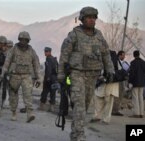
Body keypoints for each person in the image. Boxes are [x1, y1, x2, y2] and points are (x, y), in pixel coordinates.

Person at [57, 7, 114, 141]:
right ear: (82, 19)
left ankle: (75, 134)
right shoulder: (74, 35)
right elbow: (64, 55)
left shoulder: (99, 36)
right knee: (79, 105)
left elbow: (106, 54)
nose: (91, 20)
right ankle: (80, 135)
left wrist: (110, 70)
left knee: (85, 105)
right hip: (77, 74)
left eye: (93, 17)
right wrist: (60, 74)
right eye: (88, 17)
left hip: (93, 76)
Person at [1, 31, 41, 123]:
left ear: (28, 41)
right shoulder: (13, 50)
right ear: (19, 40)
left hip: (26, 76)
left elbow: (36, 64)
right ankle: (14, 112)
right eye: (22, 40)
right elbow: (7, 62)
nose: (24, 42)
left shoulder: (31, 51)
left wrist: (39, 78)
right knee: (13, 95)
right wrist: (3, 73)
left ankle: (29, 113)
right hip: (14, 75)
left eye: (25, 40)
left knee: (28, 94)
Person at [90, 50, 119, 124]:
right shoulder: (115, 61)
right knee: (102, 99)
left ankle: (102, 118)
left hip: (109, 83)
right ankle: (100, 117)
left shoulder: (108, 59)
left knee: (104, 100)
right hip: (107, 83)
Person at [38, 47, 58, 112]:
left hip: (49, 78)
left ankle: (42, 106)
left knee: (45, 92)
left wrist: (47, 78)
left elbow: (49, 69)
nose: (45, 53)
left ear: (49, 52)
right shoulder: (54, 59)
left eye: (46, 51)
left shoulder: (48, 59)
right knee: (53, 93)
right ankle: (52, 107)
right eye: (45, 51)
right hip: (54, 79)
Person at [128, 50, 145, 118]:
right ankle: (141, 113)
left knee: (135, 98)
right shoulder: (143, 62)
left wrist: (130, 82)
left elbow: (131, 74)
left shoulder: (133, 63)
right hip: (142, 82)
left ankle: (136, 113)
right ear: (139, 54)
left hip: (135, 82)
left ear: (134, 55)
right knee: (141, 97)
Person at [112, 50, 129, 116]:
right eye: (123, 55)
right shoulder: (117, 61)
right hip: (119, 80)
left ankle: (115, 109)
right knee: (118, 95)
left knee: (118, 95)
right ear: (120, 55)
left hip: (119, 80)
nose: (124, 57)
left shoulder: (119, 61)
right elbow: (119, 70)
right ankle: (115, 110)